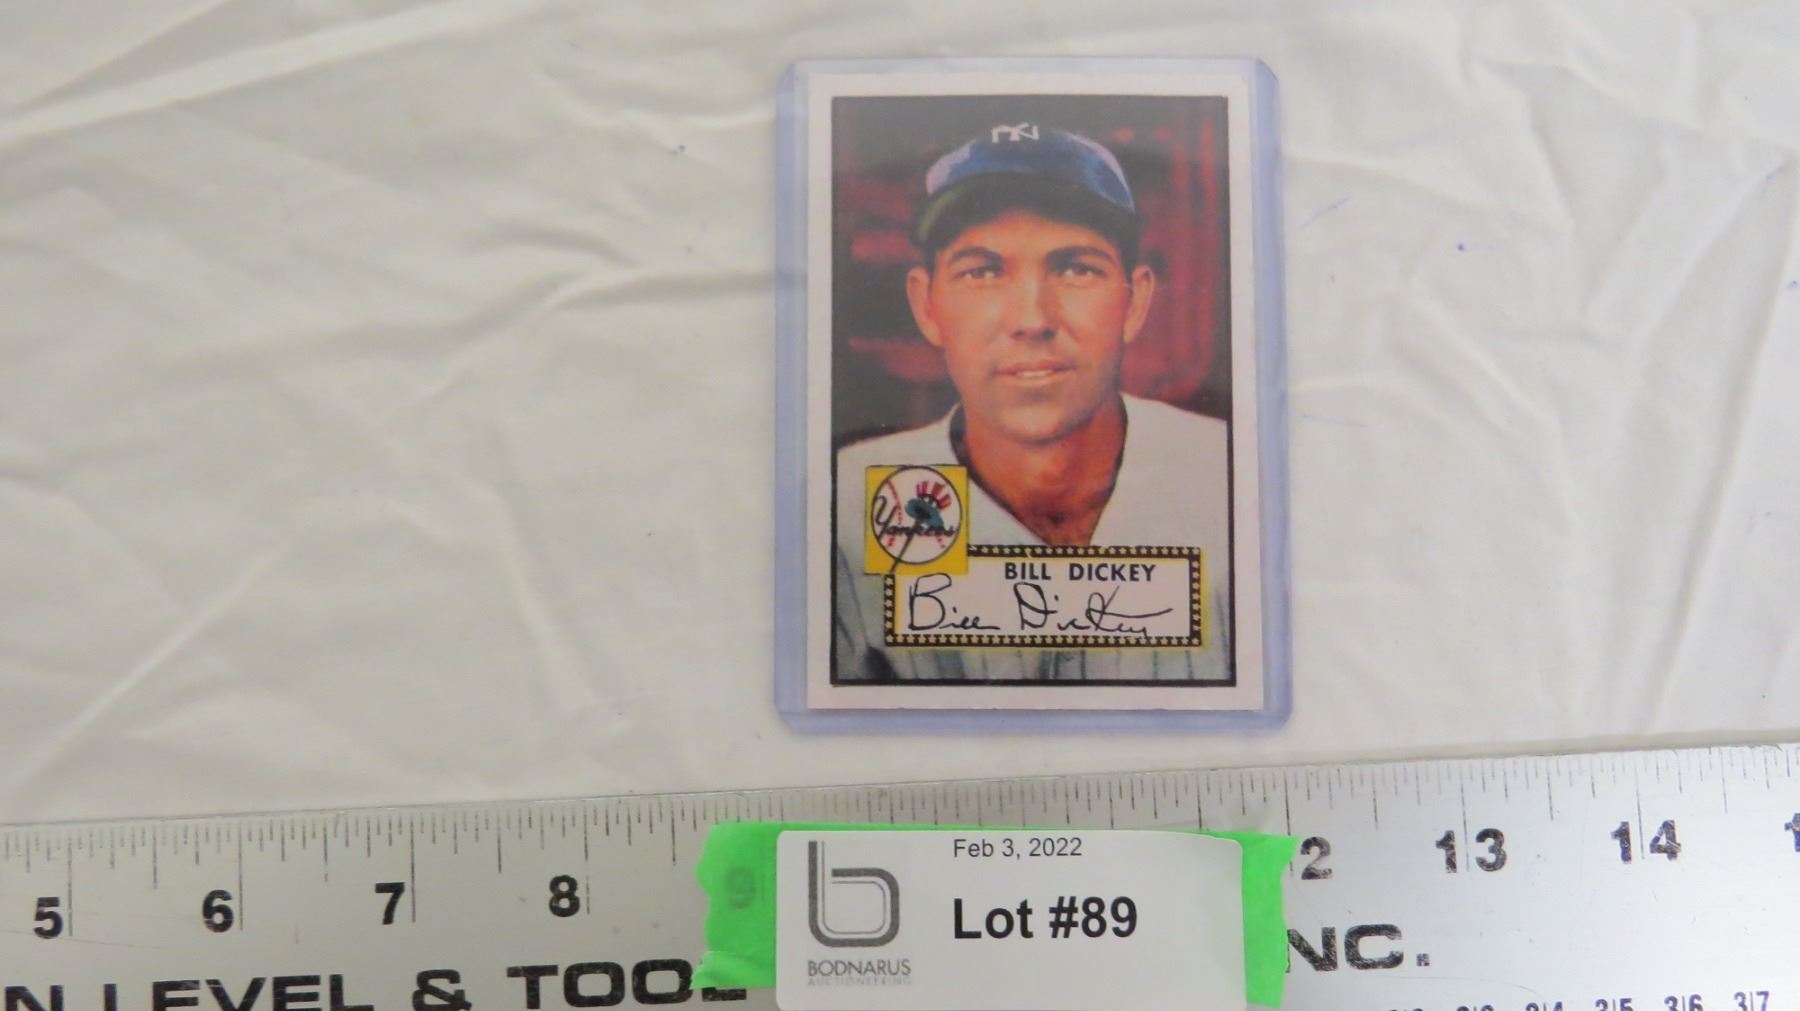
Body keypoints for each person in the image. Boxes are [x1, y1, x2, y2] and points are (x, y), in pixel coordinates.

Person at [833, 122, 1231, 683]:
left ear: (1136, 301)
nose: (1032, 320)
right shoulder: (851, 500)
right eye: (982, 272)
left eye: (1076, 269)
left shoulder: (1233, 478)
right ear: (927, 306)